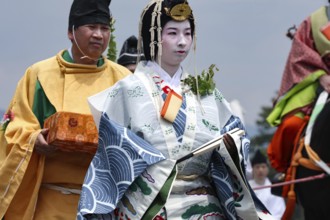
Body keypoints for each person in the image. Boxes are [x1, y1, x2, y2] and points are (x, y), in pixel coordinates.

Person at [77, 0, 272, 219]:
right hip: (145, 205)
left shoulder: (206, 92)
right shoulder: (127, 89)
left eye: (188, 33)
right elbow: (110, 157)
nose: (182, 42)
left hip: (204, 206)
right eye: (172, 33)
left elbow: (237, 138)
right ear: (153, 36)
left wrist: (231, 143)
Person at [0, 0, 131, 218]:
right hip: (50, 201)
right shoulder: (40, 74)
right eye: (91, 27)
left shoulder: (124, 80)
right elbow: (14, 128)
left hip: (105, 205)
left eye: (105, 29)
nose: (99, 35)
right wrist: (34, 139)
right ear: (71, 32)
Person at [266, 2, 330, 219]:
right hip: (318, 82)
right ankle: (286, 172)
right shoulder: (315, 21)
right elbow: (299, 55)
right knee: (291, 124)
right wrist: (321, 76)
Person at [249, 150, 286, 220]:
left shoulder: (274, 187)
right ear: (252, 169)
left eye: (263, 167)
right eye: (257, 167)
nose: (260, 170)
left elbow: (279, 211)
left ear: (267, 169)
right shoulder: (247, 188)